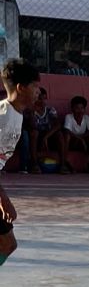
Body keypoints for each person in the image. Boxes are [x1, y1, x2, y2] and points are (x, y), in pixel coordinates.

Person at [0, 59, 41, 266]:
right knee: (7, 243)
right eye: (35, 86)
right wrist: (4, 199)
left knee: (7, 244)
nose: (38, 92)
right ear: (20, 88)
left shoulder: (17, 114)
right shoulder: (4, 116)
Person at [25, 88, 59, 172]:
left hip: (48, 137)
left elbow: (58, 125)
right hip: (35, 137)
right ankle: (35, 164)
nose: (42, 101)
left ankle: (63, 165)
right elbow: (31, 126)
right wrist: (32, 112)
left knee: (60, 135)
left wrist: (46, 137)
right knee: (34, 133)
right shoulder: (29, 110)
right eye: (40, 98)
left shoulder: (50, 110)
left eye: (44, 98)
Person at [60, 96, 89, 174]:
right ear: (72, 109)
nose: (80, 111)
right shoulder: (69, 117)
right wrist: (80, 139)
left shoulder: (86, 118)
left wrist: (82, 138)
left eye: (82, 108)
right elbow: (67, 131)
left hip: (82, 144)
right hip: (72, 143)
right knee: (67, 136)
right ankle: (65, 163)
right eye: (77, 108)